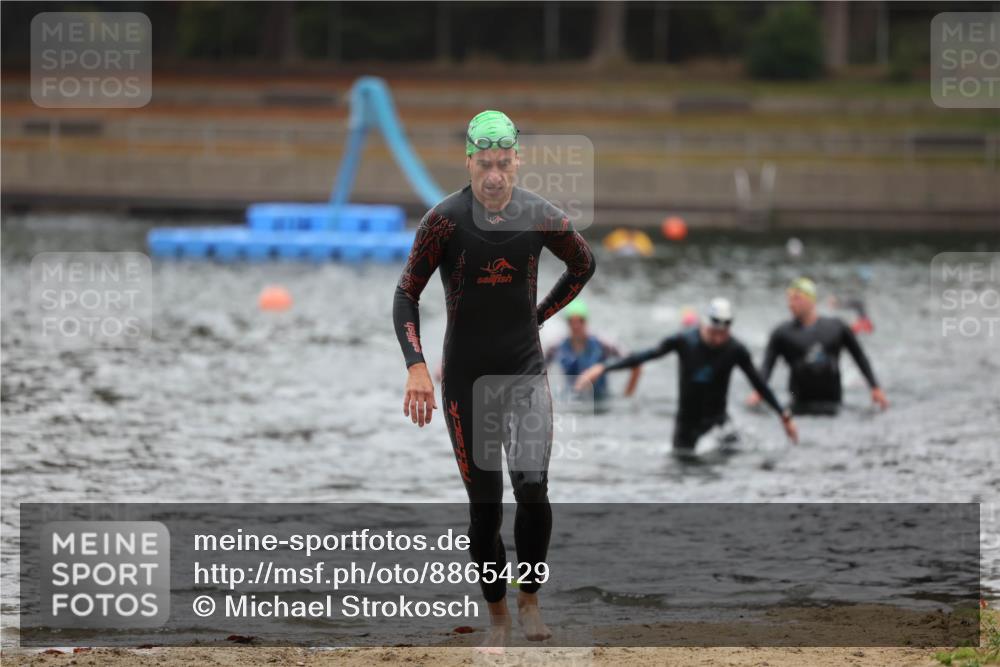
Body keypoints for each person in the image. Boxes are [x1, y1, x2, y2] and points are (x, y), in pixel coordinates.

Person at [393, 110, 596, 648]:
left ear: (516, 162)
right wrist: (417, 367)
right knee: (485, 510)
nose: (494, 175)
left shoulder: (539, 214)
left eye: (504, 164)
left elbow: (583, 265)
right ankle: (498, 616)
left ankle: (530, 599)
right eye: (485, 164)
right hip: (464, 381)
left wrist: (540, 316)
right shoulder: (444, 220)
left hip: (525, 373)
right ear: (469, 161)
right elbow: (405, 294)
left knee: (532, 490)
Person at [575, 298, 798, 452]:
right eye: (714, 333)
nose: (719, 339)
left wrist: (783, 416)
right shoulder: (683, 341)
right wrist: (604, 368)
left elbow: (758, 383)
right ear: (704, 324)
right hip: (687, 425)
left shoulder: (735, 349)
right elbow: (645, 355)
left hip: (719, 425)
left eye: (723, 334)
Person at [748, 277, 888, 415]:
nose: (791, 304)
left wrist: (875, 387)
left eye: (796, 298)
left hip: (834, 406)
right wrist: (759, 391)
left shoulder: (837, 327)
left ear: (811, 300)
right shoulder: (781, 333)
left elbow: (860, 357)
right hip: (798, 406)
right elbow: (767, 365)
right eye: (789, 299)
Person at [544, 298, 640, 404]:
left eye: (580, 321)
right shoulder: (556, 346)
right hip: (572, 401)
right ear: (567, 323)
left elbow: (635, 363)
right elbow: (539, 374)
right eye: (571, 321)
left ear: (586, 321)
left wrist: (627, 395)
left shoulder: (603, 343)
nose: (576, 326)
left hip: (601, 401)